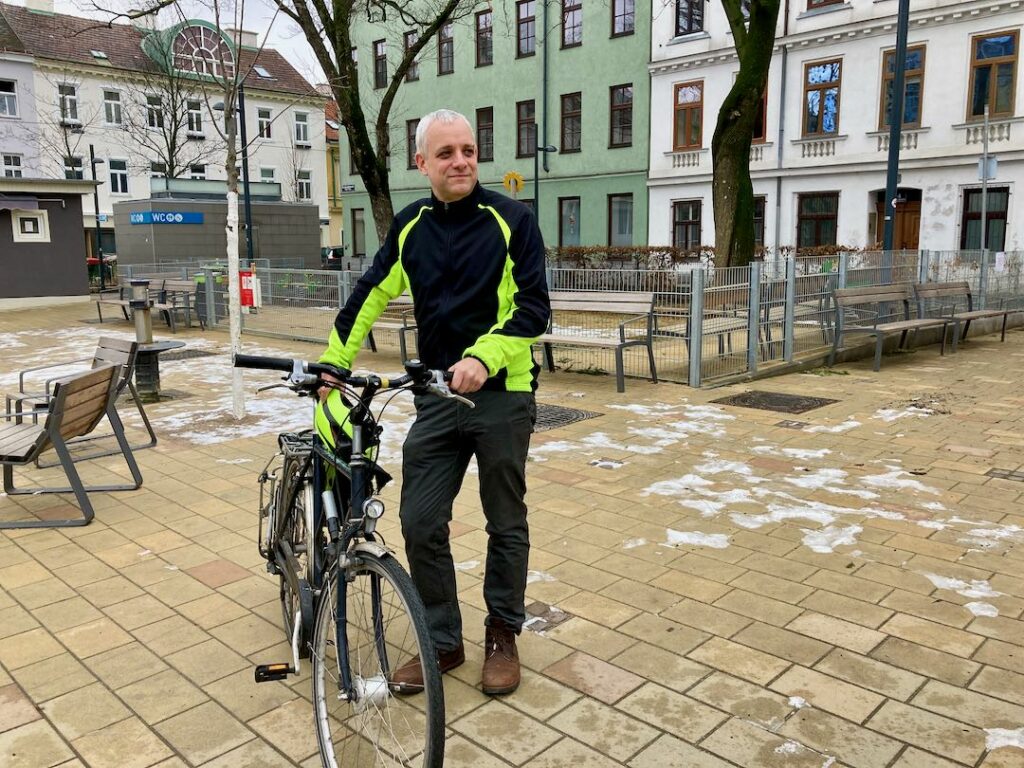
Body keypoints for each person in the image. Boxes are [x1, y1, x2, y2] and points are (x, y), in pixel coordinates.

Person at [318, 108, 550, 695]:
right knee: (420, 521)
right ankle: (442, 641)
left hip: (502, 395)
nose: (461, 162)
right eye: (446, 153)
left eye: (469, 150)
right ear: (422, 163)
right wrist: (334, 362)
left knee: (506, 521)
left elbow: (532, 308)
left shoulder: (512, 220)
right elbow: (371, 290)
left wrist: (484, 357)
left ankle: (503, 632)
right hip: (436, 399)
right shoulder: (411, 226)